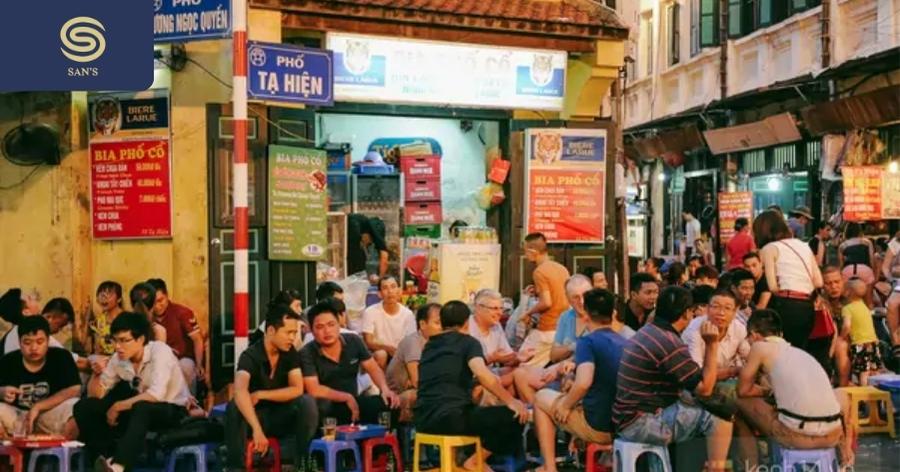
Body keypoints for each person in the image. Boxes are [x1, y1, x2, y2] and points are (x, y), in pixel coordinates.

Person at [614, 286, 732, 472]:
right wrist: (712, 344)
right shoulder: (669, 342)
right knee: (719, 417)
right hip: (641, 423)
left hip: (627, 417)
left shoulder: (648, 331)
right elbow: (705, 388)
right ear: (686, 313)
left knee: (697, 405)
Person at [415, 301, 528, 471]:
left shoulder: (429, 346)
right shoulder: (468, 342)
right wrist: (511, 401)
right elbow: (481, 373)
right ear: (467, 322)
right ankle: (475, 461)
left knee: (479, 415)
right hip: (453, 418)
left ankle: (469, 461)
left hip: (424, 419)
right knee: (513, 415)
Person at [734, 310, 853, 470]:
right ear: (781, 334)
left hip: (798, 437)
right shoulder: (800, 354)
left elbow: (742, 390)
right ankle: (845, 450)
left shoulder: (759, 347)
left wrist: (767, 392)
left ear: (753, 335)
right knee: (841, 394)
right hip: (832, 435)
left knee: (740, 404)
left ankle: (751, 467)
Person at [76, 312, 192, 472]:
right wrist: (97, 373)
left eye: (124, 341)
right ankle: (105, 458)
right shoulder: (118, 358)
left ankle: (119, 466)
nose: (118, 347)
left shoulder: (160, 352)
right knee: (85, 406)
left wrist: (118, 406)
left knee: (141, 406)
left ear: (141, 339)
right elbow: (98, 395)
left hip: (171, 409)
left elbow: (156, 394)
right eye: (115, 340)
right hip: (138, 411)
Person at [533, 289, 626, 472]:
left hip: (598, 426)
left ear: (586, 314)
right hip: (622, 424)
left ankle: (549, 468)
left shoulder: (587, 342)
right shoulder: (624, 342)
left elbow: (584, 382)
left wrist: (566, 405)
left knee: (540, 398)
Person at [226, 304, 317, 471]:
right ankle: (236, 468)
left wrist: (262, 394)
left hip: (280, 416)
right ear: (270, 331)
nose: (292, 338)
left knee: (307, 402)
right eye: (288, 333)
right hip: (256, 417)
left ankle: (303, 465)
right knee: (234, 407)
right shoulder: (250, 356)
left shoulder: (290, 354)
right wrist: (257, 430)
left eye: (295, 333)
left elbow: (297, 388)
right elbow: (240, 390)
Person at [300, 300, 400, 426]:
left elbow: (373, 368)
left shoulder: (353, 341)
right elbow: (313, 389)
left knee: (391, 404)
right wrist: (346, 397)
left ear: (339, 325)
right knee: (328, 409)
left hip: (353, 401)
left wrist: (385, 389)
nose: (327, 331)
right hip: (327, 405)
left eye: (331, 324)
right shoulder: (307, 352)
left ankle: (387, 443)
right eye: (320, 327)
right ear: (312, 330)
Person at [513, 275, 594, 404]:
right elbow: (554, 355)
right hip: (562, 371)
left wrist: (565, 361)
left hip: (586, 374)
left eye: (585, 295)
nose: (582, 301)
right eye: (576, 297)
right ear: (568, 299)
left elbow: (597, 349)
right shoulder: (566, 317)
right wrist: (572, 347)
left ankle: (543, 412)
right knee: (520, 374)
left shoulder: (598, 315)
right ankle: (538, 415)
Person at [0, 316, 81, 439]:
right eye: (27, 342)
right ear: (19, 342)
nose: (33, 348)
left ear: (48, 341)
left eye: (39, 342)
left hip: (48, 414)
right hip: (18, 417)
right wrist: (2, 392)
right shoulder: (7, 361)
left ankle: (62, 449)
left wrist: (38, 407)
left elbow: (74, 389)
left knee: (76, 406)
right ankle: (9, 446)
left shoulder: (61, 357)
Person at [754, 210, 822, 351]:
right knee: (801, 351)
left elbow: (772, 286)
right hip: (807, 307)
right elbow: (819, 282)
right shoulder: (803, 245)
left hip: (786, 306)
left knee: (783, 351)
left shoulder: (769, 249)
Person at [385, 303, 442, 423]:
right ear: (422, 324)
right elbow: (417, 382)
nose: (442, 328)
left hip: (424, 388)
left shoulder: (439, 344)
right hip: (398, 396)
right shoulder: (413, 342)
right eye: (437, 323)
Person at [521, 233, 571, 368]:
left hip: (546, 329)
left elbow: (547, 302)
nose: (525, 256)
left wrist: (528, 313)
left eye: (526, 251)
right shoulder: (562, 269)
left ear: (533, 252)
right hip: (562, 329)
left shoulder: (539, 272)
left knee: (521, 366)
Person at [146, 278, 206, 387]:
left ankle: (188, 402)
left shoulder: (182, 313)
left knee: (185, 367)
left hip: (182, 359)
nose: (157, 306)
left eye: (160, 300)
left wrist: (199, 365)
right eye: (153, 303)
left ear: (167, 295)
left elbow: (197, 339)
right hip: (158, 362)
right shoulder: (146, 317)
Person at [682, 290, 749, 378]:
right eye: (716, 307)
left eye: (727, 308)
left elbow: (748, 356)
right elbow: (697, 374)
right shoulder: (694, 331)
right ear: (707, 309)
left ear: (734, 313)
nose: (721, 313)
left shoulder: (738, 328)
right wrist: (732, 371)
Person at [360, 276, 416, 369]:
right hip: (378, 352)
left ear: (399, 291)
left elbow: (411, 341)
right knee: (381, 354)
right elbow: (368, 341)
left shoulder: (408, 314)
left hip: (400, 354)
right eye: (385, 288)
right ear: (379, 294)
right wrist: (388, 348)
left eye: (393, 287)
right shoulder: (370, 312)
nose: (390, 291)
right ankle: (380, 382)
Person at [842, 278, 886, 386]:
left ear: (848, 292)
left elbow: (847, 326)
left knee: (863, 372)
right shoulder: (864, 306)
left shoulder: (847, 308)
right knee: (874, 369)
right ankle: (875, 393)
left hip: (860, 344)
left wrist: (842, 336)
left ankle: (864, 394)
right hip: (873, 342)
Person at [0, 289, 64, 355]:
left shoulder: (12, 334)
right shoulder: (33, 330)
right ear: (26, 311)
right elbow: (70, 358)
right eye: (30, 299)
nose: (34, 298)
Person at [821, 266, 851, 385]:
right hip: (827, 343)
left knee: (841, 345)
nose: (833, 287)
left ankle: (843, 386)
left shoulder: (852, 298)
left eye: (836, 282)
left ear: (843, 280)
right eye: (828, 283)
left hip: (850, 342)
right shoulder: (820, 302)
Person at [89, 281, 125, 357]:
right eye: (101, 294)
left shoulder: (126, 318)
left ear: (119, 299)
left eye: (109, 294)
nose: (104, 298)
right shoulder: (98, 321)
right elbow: (97, 348)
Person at [838, 223, 876, 289]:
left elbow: (841, 265)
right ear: (859, 231)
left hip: (848, 270)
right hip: (864, 269)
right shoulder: (867, 242)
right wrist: (873, 272)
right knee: (868, 297)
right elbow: (871, 260)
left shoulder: (842, 245)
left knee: (847, 297)